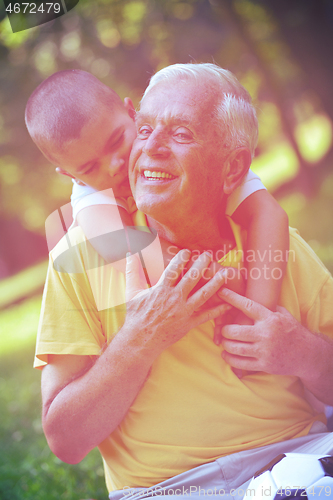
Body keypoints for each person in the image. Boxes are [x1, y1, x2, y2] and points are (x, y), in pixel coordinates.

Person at [35, 63, 333, 499]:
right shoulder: (83, 254)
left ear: (232, 169)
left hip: (297, 459)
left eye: (180, 134)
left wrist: (303, 353)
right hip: (176, 490)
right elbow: (65, 439)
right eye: (146, 129)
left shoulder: (273, 242)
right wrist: (142, 337)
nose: (147, 148)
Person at [25, 69, 289, 329]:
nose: (114, 165)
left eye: (117, 141)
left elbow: (268, 214)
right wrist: (222, 281)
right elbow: (135, 254)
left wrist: (256, 313)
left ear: (133, 114)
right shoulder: (90, 199)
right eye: (90, 168)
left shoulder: (204, 164)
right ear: (71, 175)